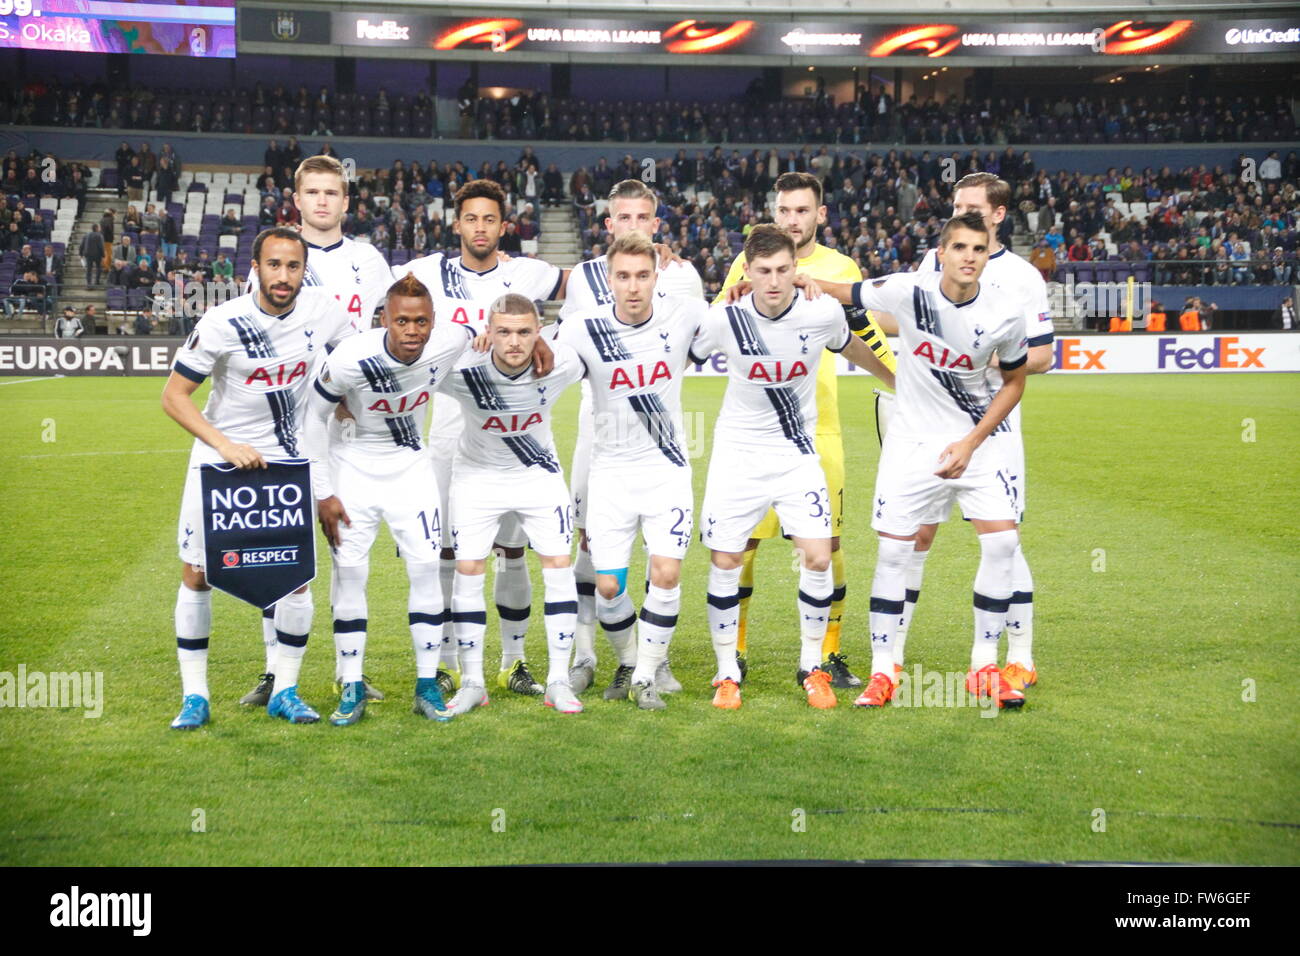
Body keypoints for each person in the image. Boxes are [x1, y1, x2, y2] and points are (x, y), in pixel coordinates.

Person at [817, 212, 1031, 708]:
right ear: (942, 253)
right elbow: (844, 291)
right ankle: (883, 672)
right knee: (894, 553)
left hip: (978, 443)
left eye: (979, 249)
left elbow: (1016, 381)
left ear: (987, 252)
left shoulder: (1006, 311)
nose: (969, 258)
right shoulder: (908, 291)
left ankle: (984, 666)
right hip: (912, 445)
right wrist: (794, 278)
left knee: (1003, 544)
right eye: (960, 248)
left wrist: (971, 443)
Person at [160, 227, 358, 730]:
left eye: (293, 266)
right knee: (198, 573)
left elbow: (359, 356)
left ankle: (285, 690)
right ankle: (195, 697)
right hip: (218, 461)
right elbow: (174, 396)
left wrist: (345, 405)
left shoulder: (324, 311)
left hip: (285, 463)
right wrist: (224, 444)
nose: (284, 276)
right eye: (274, 265)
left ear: (303, 271)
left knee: (292, 578)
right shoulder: (224, 322)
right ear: (255, 268)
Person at [693, 225, 894, 710]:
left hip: (796, 455)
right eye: (763, 271)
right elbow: (679, 350)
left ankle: (812, 668)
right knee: (726, 560)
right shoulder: (725, 318)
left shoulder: (820, 311)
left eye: (783, 269)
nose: (775, 280)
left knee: (819, 557)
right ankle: (725, 674)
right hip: (737, 455)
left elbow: (852, 346)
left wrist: (900, 382)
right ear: (747, 272)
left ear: (795, 269)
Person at [868, 173, 1053, 693]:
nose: (960, 212)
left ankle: (1016, 656)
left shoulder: (1021, 277)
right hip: (924, 425)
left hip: (989, 427)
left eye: (972, 206)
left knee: (1002, 540)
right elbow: (902, 319)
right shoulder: (935, 261)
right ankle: (892, 659)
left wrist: (980, 351)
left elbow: (1040, 356)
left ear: (997, 215)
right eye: (955, 205)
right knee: (913, 536)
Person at [396, 179, 566, 698]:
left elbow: (587, 285)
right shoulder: (425, 272)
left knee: (514, 553)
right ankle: (448, 661)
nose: (480, 228)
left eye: (490, 219)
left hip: (521, 437)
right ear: (457, 224)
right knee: (450, 553)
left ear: (503, 226)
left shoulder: (526, 272)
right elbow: (391, 315)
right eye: (471, 218)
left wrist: (657, 252)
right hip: (451, 435)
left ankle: (513, 663)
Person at [242, 154, 394, 704]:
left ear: (346, 201)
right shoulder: (279, 260)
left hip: (348, 428)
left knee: (346, 552)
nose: (323, 201)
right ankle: (272, 671)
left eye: (333, 193)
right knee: (279, 552)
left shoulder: (370, 260)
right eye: (314, 193)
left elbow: (382, 331)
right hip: (281, 428)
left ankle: (349, 672)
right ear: (297, 199)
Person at [302, 274, 476, 725]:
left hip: (412, 471)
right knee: (351, 576)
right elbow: (313, 420)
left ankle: (425, 686)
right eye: (402, 321)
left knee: (425, 572)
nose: (413, 331)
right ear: (385, 320)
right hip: (354, 469)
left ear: (434, 322)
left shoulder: (449, 340)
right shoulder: (351, 358)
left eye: (421, 322)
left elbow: (479, 334)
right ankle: (352, 684)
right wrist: (324, 492)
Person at [557, 179, 705, 697]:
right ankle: (587, 652)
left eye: (644, 219)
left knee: (661, 558)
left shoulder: (684, 283)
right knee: (590, 551)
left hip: (658, 446)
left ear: (656, 223)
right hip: (597, 440)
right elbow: (554, 360)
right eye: (625, 218)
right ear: (609, 224)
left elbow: (706, 341)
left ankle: (648, 662)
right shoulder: (582, 284)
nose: (635, 226)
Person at [437, 294, 584, 715]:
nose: (514, 342)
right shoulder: (463, 369)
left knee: (558, 567)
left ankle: (558, 679)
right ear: (488, 330)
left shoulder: (562, 362)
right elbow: (415, 362)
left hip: (538, 475)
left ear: (540, 332)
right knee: (468, 571)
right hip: (476, 479)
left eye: (523, 332)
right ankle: (472, 682)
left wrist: (550, 344)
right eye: (503, 332)